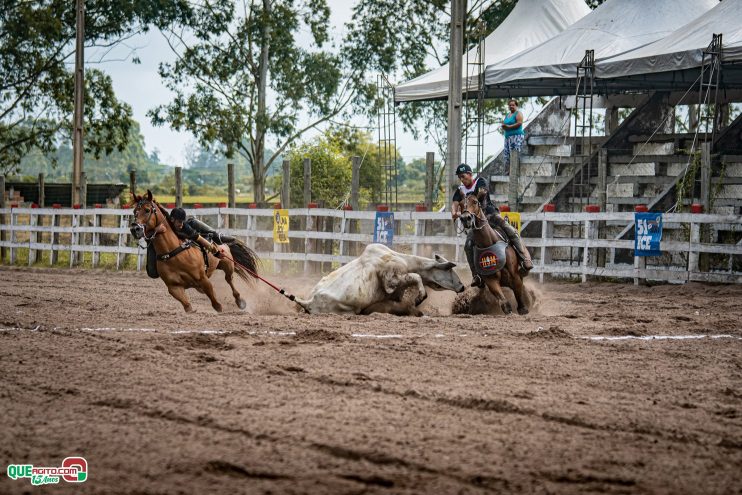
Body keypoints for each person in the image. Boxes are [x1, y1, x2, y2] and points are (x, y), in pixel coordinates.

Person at [450, 163, 533, 287]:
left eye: (463, 176)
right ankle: (476, 275)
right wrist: (454, 212)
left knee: (510, 230)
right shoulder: (460, 189)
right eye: (460, 177)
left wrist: (472, 202)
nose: (462, 179)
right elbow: (455, 203)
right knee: (468, 245)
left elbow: (482, 192)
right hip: (477, 222)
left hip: (490, 214)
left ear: (470, 174)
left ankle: (525, 258)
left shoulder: (480, 181)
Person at [502, 99, 525, 166]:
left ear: (516, 106)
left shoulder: (518, 113)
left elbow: (519, 123)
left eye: (513, 105)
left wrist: (508, 127)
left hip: (516, 136)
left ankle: (515, 171)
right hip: (507, 137)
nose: (511, 106)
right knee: (507, 155)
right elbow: (505, 123)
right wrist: (503, 126)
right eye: (510, 105)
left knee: (514, 153)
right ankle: (509, 171)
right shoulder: (507, 115)